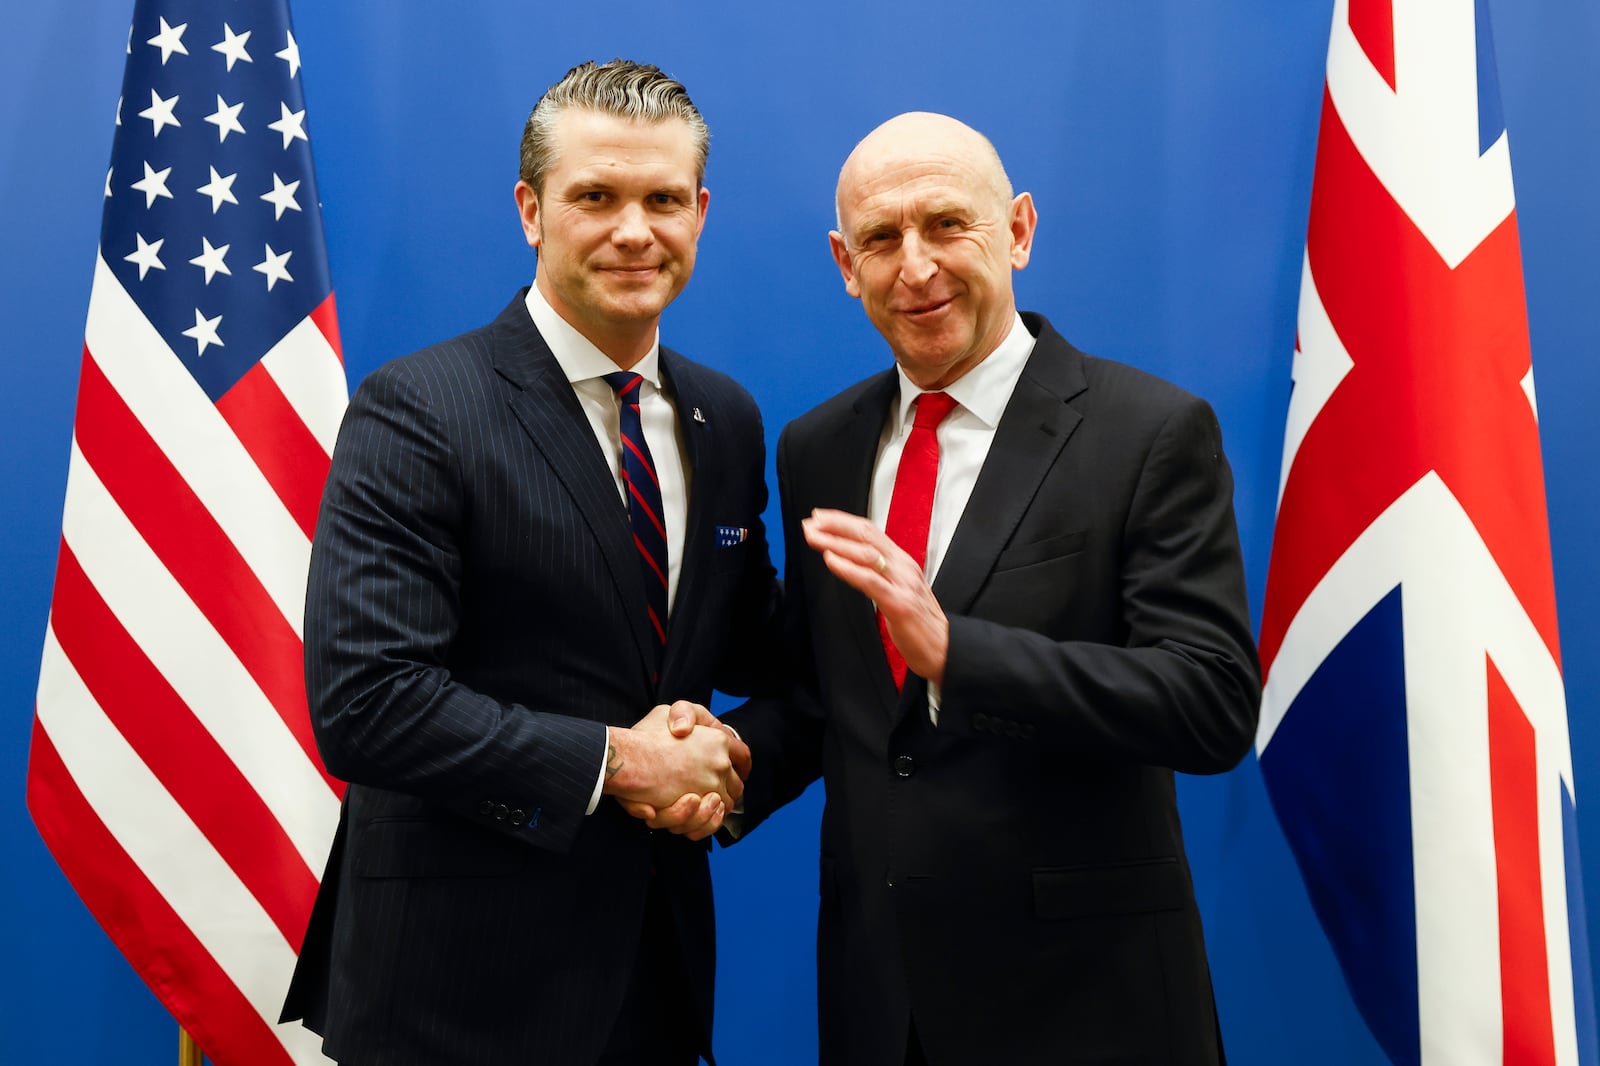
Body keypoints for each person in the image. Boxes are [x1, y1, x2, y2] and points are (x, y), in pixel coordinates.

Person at [704, 111, 1260, 1064]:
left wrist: (960, 655)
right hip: (883, 1009)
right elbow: (829, 697)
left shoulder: (1148, 433)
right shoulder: (818, 447)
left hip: (1088, 1006)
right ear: (846, 262)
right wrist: (720, 767)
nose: (914, 266)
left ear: (1019, 231)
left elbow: (1209, 704)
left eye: (946, 224)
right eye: (881, 238)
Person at [281, 59, 782, 1066]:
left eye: (663, 200)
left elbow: (766, 665)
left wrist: (720, 771)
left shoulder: (721, 418)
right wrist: (622, 761)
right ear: (530, 210)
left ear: (701, 212)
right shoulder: (418, 407)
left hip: (653, 982)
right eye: (595, 196)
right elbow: (368, 701)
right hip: (454, 997)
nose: (634, 231)